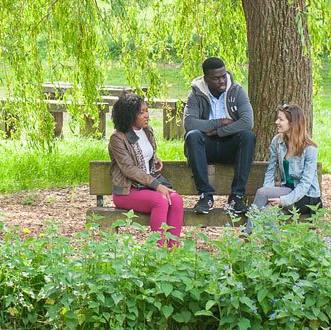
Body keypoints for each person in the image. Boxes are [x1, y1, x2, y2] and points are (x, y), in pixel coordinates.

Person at [107, 94, 185, 247]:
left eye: (146, 111)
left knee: (176, 200)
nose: (147, 115)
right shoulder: (118, 138)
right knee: (160, 201)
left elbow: (144, 154)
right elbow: (129, 168)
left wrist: (154, 159)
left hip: (145, 187)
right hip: (127, 191)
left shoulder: (147, 131)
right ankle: (158, 251)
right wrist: (156, 185)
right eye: (141, 112)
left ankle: (172, 252)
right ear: (129, 115)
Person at [183, 57, 257, 215]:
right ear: (206, 79)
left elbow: (247, 122)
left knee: (248, 136)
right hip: (205, 147)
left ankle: (236, 197)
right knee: (193, 135)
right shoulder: (196, 94)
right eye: (216, 78)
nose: (222, 81)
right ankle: (205, 196)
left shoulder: (237, 91)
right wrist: (220, 122)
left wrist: (219, 131)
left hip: (229, 145)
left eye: (223, 76)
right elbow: (190, 123)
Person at [251, 104, 322, 216]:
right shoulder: (277, 141)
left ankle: (246, 233)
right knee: (266, 210)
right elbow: (270, 171)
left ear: (293, 123)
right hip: (286, 190)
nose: (276, 122)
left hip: (306, 198)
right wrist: (269, 194)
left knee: (264, 198)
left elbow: (305, 184)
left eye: (281, 119)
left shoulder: (310, 149)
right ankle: (259, 233)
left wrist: (284, 201)